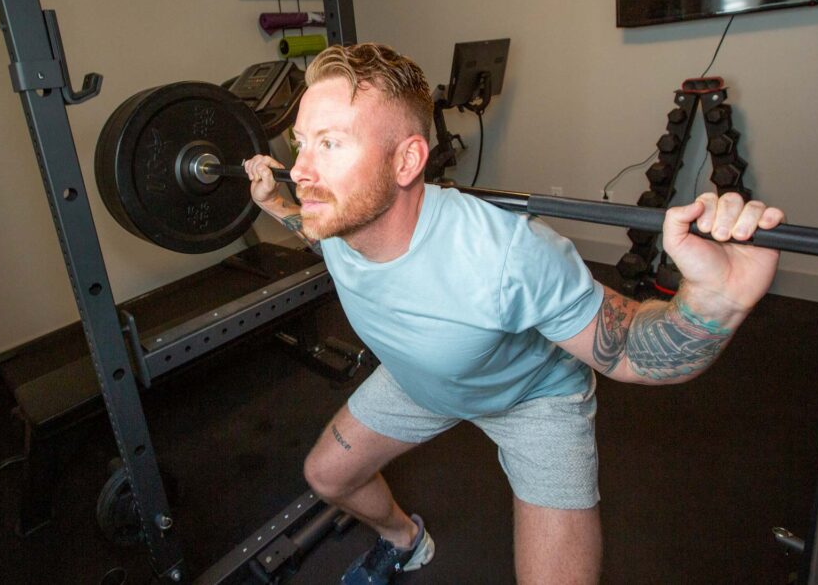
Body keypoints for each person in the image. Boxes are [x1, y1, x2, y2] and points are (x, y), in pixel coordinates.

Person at [243, 43, 784, 585]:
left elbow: (626, 353)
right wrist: (275, 205)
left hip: (532, 397)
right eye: (301, 142)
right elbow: (311, 232)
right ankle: (404, 541)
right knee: (326, 476)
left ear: (406, 161)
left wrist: (716, 301)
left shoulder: (508, 256)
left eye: (331, 143)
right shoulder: (333, 219)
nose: (301, 169)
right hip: (422, 379)